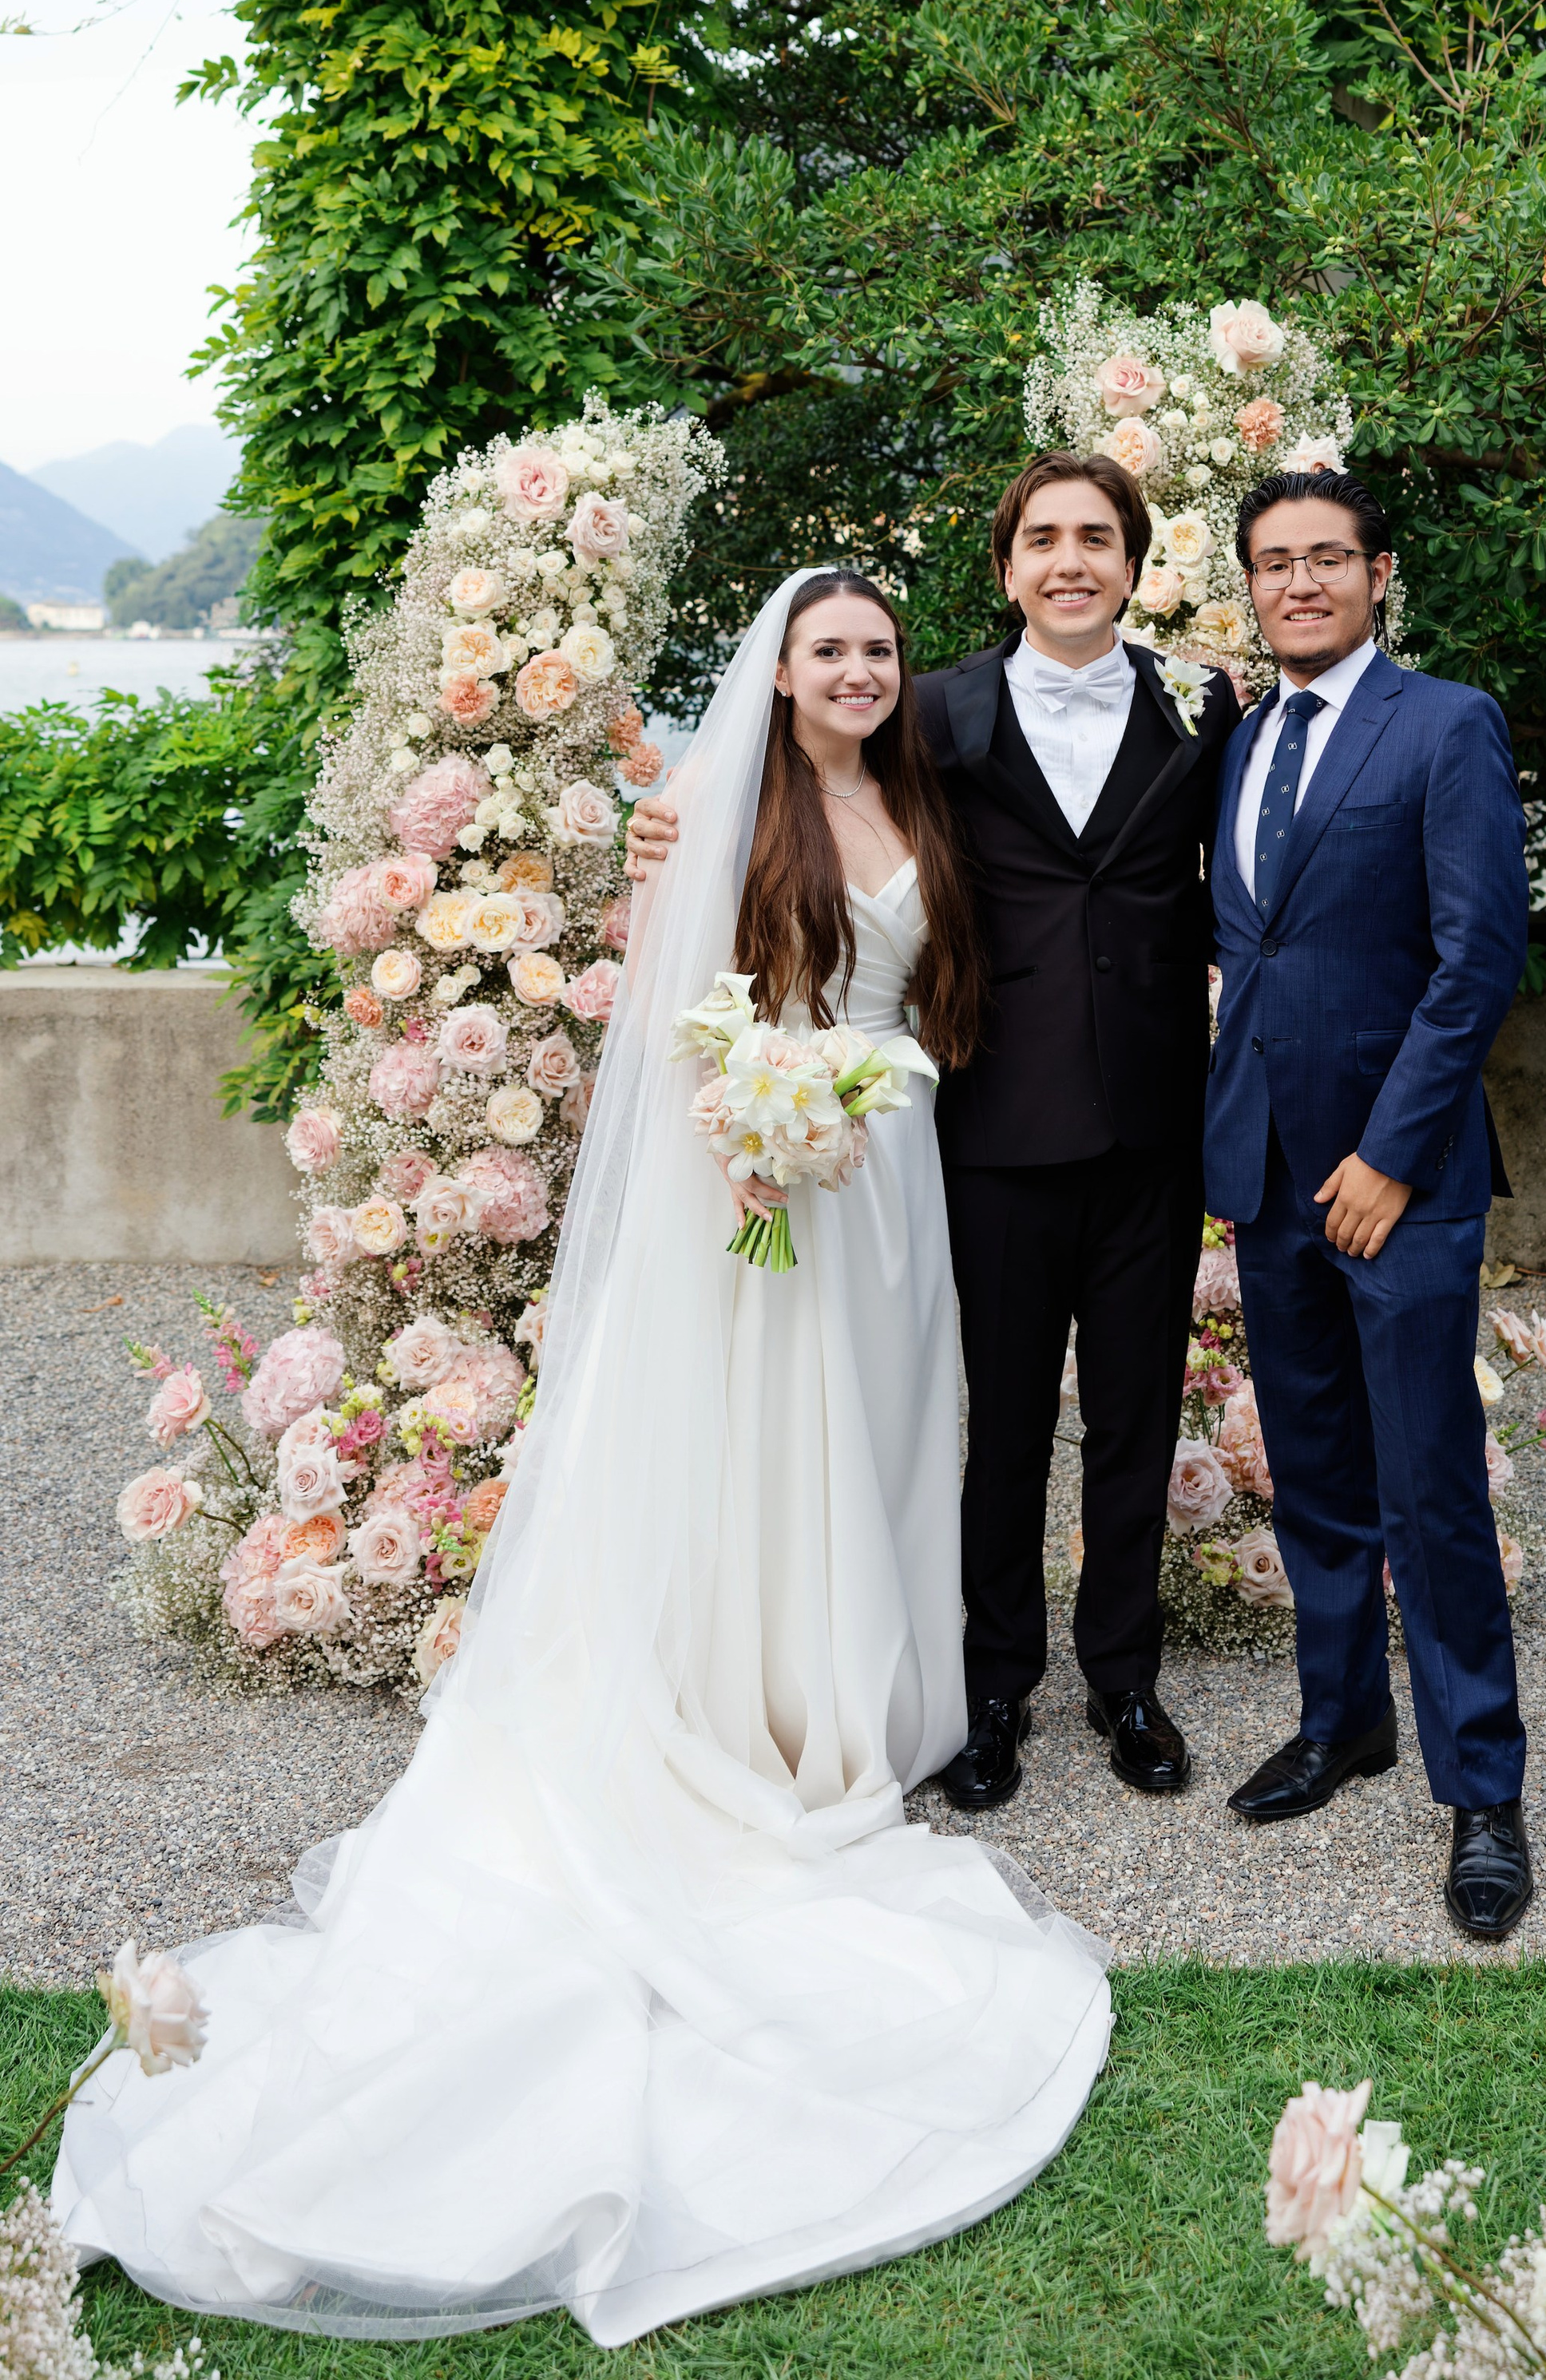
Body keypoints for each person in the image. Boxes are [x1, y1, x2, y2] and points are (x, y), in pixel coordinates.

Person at [56, 569, 1111, 2345]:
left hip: (899, 1178)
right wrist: (757, 1127)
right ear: (782, 673)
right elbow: (685, 1017)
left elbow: (946, 989)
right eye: (829, 651)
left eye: (878, 649)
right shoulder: (724, 815)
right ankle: (758, 1710)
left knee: (881, 1442)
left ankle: (857, 1686)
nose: (858, 672)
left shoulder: (922, 799)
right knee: (767, 1448)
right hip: (776, 1178)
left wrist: (861, 1106)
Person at [628, 453, 1239, 1815]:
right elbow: (789, 788)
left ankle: (1126, 1680)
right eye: (1044, 539)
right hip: (989, 1127)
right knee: (997, 1423)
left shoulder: (1200, 702)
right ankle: (993, 1685)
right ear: (1008, 567)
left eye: (1097, 538)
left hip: (1154, 1124)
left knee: (1135, 1419)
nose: (1071, 561)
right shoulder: (938, 709)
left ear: (1133, 563)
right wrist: (665, 825)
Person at [1205, 469, 1534, 1942]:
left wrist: (1394, 1154)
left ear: (1378, 573)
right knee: (1316, 1474)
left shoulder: (1445, 725)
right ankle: (1343, 1723)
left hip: (1401, 1183)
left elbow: (1478, 961)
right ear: (1251, 585)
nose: (1300, 584)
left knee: (1430, 1485)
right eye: (1275, 563)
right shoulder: (1238, 739)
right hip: (1269, 1170)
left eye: (1327, 559)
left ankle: (1485, 1793)